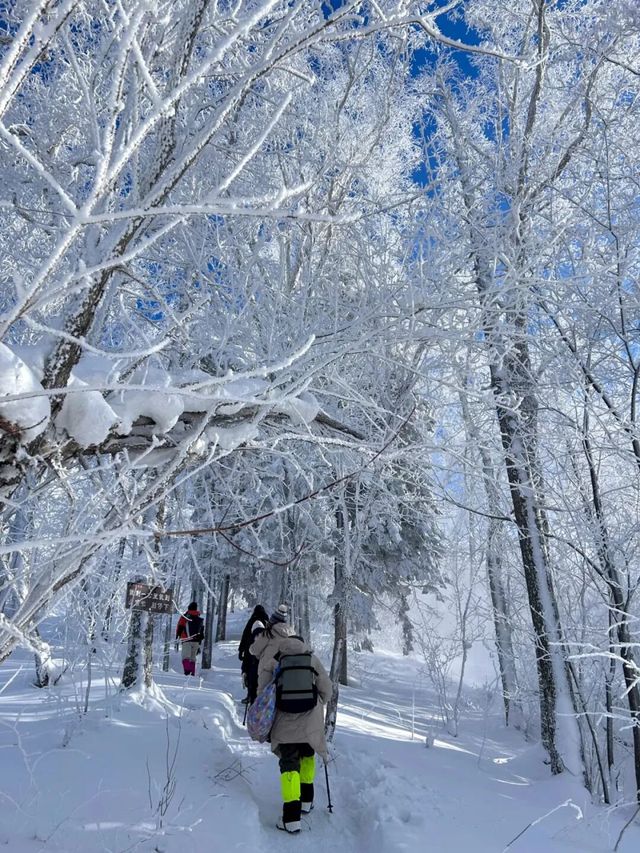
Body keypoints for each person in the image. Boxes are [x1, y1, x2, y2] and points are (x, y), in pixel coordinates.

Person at [250, 604, 332, 834]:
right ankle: (307, 801)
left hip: (284, 722)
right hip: (310, 721)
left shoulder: (273, 660)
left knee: (289, 766)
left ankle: (291, 818)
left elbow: (262, 693)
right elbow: (327, 690)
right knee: (307, 756)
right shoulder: (311, 659)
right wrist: (319, 702)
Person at [238, 604, 269, 704]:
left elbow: (245, 635)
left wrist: (241, 650)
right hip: (264, 653)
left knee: (250, 673)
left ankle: (250, 696)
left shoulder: (252, 621)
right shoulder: (268, 622)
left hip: (251, 651)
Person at [175, 601, 204, 676]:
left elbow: (180, 627)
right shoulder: (198, 618)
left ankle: (187, 672)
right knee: (193, 657)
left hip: (186, 639)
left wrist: (177, 636)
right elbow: (201, 631)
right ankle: (192, 673)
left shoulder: (185, 617)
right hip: (196, 641)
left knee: (185, 657)